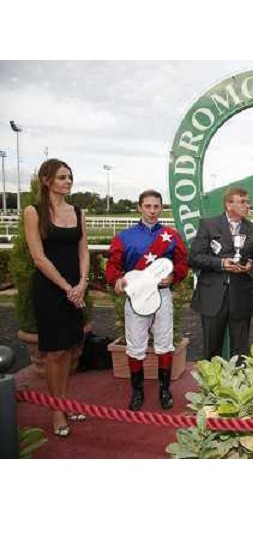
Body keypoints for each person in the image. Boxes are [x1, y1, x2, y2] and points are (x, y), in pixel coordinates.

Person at [105, 190, 188, 411]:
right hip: (136, 297)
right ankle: (137, 391)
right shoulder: (124, 236)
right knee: (135, 346)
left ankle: (164, 390)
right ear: (139, 207)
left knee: (164, 343)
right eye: (148, 206)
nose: (152, 211)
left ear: (161, 208)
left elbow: (182, 264)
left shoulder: (171, 236)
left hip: (162, 295)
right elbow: (112, 265)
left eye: (156, 206)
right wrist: (117, 280)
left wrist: (174, 276)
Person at [24, 159, 89, 438]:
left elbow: (84, 251)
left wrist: (83, 283)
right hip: (50, 290)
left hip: (75, 288)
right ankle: (56, 410)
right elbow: (39, 258)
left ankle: (63, 401)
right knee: (54, 352)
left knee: (69, 349)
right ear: (46, 180)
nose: (68, 181)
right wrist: (67, 288)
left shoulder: (77, 211)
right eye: (62, 177)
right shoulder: (33, 211)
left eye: (70, 177)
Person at [190, 187, 253, 363]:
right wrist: (221, 263)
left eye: (248, 202)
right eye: (243, 201)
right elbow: (194, 258)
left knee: (240, 353)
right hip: (212, 297)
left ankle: (239, 389)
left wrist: (250, 268)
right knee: (211, 350)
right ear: (228, 204)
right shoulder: (208, 225)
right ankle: (210, 389)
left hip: (241, 298)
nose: (248, 205)